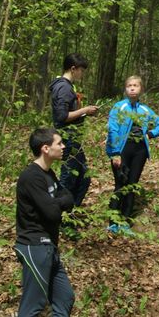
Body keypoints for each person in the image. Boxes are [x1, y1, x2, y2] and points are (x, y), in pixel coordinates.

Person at [15, 128, 76, 317]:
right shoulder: (31, 176)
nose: (63, 146)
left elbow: (69, 198)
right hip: (34, 246)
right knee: (33, 306)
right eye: (59, 143)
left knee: (65, 297)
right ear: (46, 148)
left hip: (50, 246)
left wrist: (58, 203)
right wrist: (59, 204)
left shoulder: (49, 174)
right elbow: (52, 213)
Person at [105, 75, 159, 234]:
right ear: (125, 89)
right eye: (129, 86)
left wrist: (150, 134)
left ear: (141, 89)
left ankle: (125, 222)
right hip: (122, 150)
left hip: (140, 151)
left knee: (132, 185)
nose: (132, 88)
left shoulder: (145, 110)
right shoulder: (119, 107)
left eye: (135, 86)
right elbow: (112, 129)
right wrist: (115, 153)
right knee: (120, 184)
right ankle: (112, 222)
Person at [49, 53, 98, 209]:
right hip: (67, 138)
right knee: (69, 178)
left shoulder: (66, 86)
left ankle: (70, 212)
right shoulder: (63, 87)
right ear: (73, 69)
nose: (82, 74)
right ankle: (60, 215)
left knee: (83, 177)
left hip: (73, 138)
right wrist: (85, 110)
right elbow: (62, 116)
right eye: (81, 71)